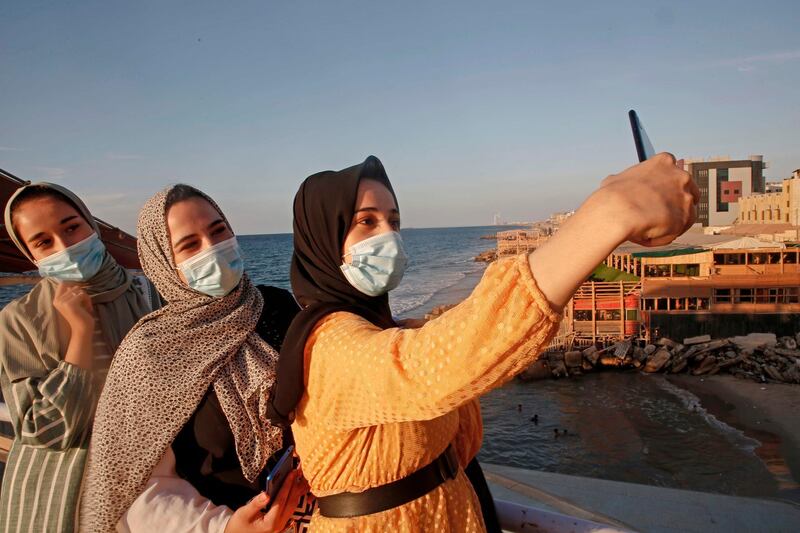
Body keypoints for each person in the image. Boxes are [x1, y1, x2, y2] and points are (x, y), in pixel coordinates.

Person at [267, 153, 697, 531]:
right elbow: (433, 362)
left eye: (393, 221)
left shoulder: (384, 327)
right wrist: (608, 214)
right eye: (366, 221)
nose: (388, 236)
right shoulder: (330, 345)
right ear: (323, 239)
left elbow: (462, 347)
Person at [80, 185, 311, 532]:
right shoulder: (151, 351)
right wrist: (225, 527)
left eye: (219, 231)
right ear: (163, 263)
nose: (213, 248)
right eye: (190, 245)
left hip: (316, 512)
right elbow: (140, 487)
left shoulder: (276, 306)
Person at [0, 183, 157, 533]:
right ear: (31, 256)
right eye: (43, 242)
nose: (65, 247)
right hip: (67, 499)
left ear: (92, 225)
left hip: (156, 485)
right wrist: (81, 336)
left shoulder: (147, 292)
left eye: (72, 227)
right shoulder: (19, 320)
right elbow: (42, 432)